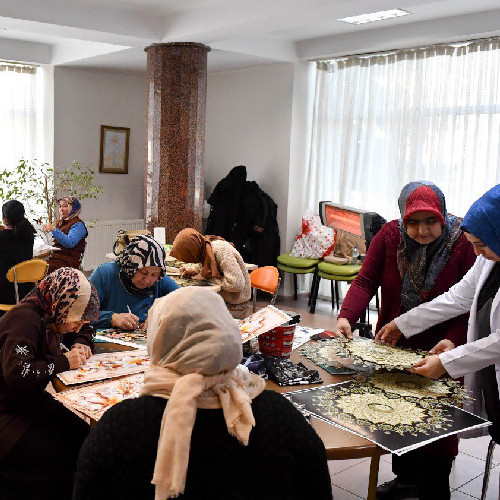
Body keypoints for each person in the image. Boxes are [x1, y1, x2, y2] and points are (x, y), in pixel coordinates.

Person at [73, 287, 333, 500]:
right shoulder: (280, 416)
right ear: (228, 334)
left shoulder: (121, 426)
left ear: (159, 340)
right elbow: (318, 490)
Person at [333, 180, 476, 500]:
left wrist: (453, 342)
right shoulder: (388, 237)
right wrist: (347, 316)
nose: (422, 231)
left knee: (437, 422)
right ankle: (404, 479)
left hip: (443, 348)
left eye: (430, 221)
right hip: (393, 345)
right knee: (395, 411)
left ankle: (434, 488)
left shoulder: (462, 245)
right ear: (402, 219)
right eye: (413, 222)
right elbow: (366, 280)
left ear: (442, 216)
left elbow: (467, 305)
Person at [377, 185, 500, 452]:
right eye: (473, 245)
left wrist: (445, 362)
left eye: (481, 244)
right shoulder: (490, 259)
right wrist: (403, 324)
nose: (477, 253)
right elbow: (458, 298)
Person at [0, 267, 99, 500]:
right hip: (12, 416)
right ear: (61, 305)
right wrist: (62, 361)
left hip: (33, 404)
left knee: (84, 430)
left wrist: (82, 339)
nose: (74, 327)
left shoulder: (51, 313)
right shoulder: (25, 320)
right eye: (74, 321)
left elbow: (85, 326)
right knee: (63, 449)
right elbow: (18, 374)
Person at [89, 234, 179, 330]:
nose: (148, 280)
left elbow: (185, 300)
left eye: (154, 275)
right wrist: (112, 318)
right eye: (143, 272)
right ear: (131, 266)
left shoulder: (159, 280)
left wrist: (160, 314)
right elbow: (80, 313)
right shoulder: (105, 274)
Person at [170, 228, 251, 318]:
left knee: (195, 319)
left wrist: (208, 278)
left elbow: (236, 284)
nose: (191, 260)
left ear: (193, 250)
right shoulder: (204, 247)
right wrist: (192, 271)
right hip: (222, 300)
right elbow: (205, 264)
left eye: (189, 258)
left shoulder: (221, 250)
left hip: (236, 306)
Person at [0, 200, 36, 306]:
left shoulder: (2, 237)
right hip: (27, 291)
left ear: (5, 218)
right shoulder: (29, 235)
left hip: (6, 293)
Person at [42, 197, 88, 273]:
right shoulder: (60, 223)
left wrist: (54, 229)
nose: (61, 209)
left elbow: (70, 243)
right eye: (60, 206)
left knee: (38, 267)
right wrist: (47, 232)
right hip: (56, 258)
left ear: (73, 208)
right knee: (33, 263)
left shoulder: (78, 225)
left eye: (65, 206)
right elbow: (55, 239)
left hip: (67, 262)